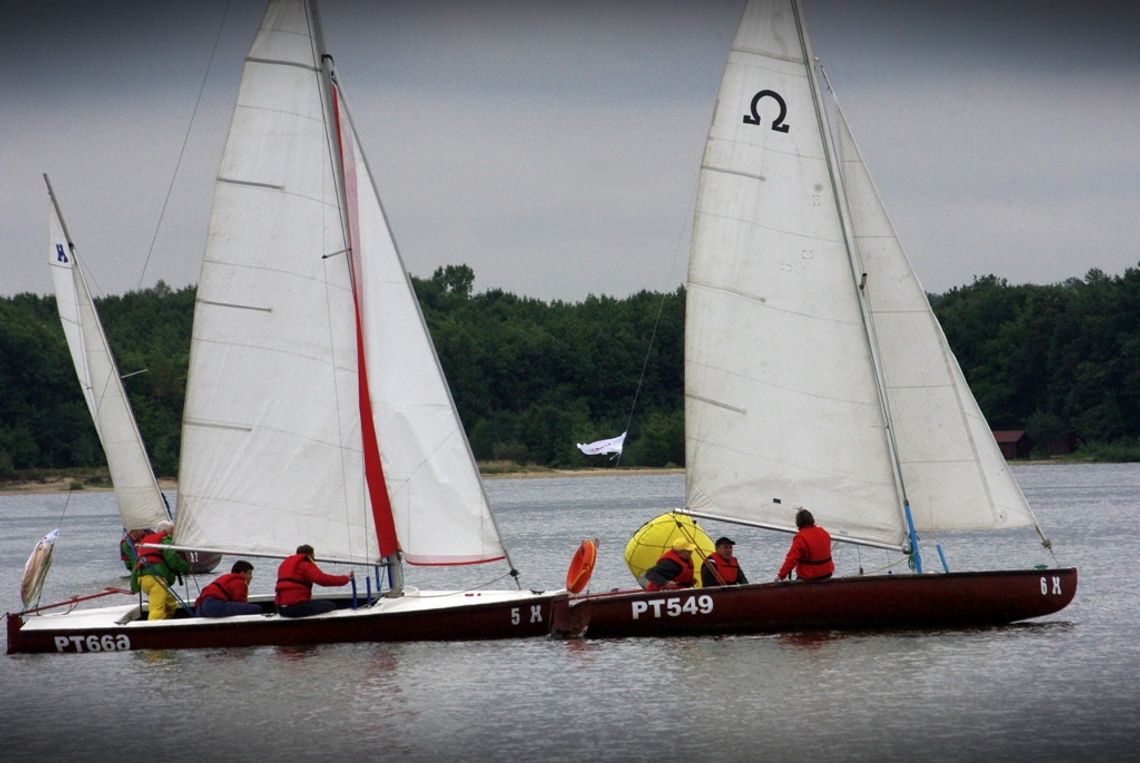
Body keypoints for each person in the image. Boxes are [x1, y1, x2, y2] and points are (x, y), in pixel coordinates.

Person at [132, 520, 191, 620]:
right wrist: (186, 568)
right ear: (167, 531)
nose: (174, 535)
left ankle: (166, 626)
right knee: (156, 610)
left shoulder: (146, 542)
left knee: (170, 605)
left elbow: (136, 567)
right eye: (173, 532)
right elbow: (172, 559)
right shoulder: (165, 540)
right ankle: (153, 632)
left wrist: (134, 587)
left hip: (143, 580)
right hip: (156, 581)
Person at [275, 544, 354, 618]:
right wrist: (346, 578)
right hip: (294, 608)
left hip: (281, 609)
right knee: (330, 606)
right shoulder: (306, 565)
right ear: (310, 555)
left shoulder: (284, 565)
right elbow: (323, 580)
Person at [775, 508, 835, 582]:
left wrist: (781, 576)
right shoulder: (824, 532)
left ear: (798, 522)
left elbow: (791, 559)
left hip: (810, 577)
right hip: (827, 573)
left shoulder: (800, 537)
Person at [195, 560, 263, 617]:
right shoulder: (239, 582)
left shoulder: (227, 578)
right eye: (249, 573)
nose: (251, 577)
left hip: (200, 608)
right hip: (214, 605)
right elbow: (241, 603)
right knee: (256, 609)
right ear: (242, 573)